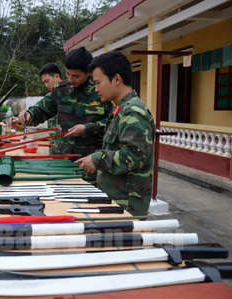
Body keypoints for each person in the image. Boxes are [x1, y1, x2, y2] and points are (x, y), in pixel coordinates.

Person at [13, 47, 113, 183]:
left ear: (89, 72)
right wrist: (29, 114)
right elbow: (43, 109)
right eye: (67, 74)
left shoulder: (101, 91)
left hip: (89, 164)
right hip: (61, 160)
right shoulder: (60, 90)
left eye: (76, 76)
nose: (71, 79)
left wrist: (88, 128)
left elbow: (112, 124)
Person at [76, 51, 155, 216]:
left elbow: (134, 154)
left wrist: (97, 160)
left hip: (127, 206)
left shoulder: (133, 112)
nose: (96, 89)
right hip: (117, 201)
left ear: (116, 79)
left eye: (98, 83)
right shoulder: (121, 109)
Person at [38, 63, 63, 155]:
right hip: (54, 148)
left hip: (69, 150)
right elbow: (39, 111)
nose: (46, 85)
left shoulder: (71, 95)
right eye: (44, 82)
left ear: (57, 76)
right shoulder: (49, 97)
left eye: (47, 81)